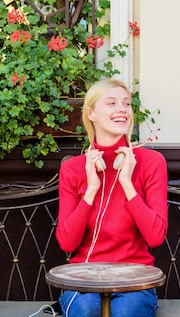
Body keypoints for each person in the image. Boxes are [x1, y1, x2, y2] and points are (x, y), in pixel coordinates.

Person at [55, 79, 168, 317]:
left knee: (126, 313)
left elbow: (156, 236)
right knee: (85, 311)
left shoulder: (151, 162)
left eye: (127, 104)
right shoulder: (74, 168)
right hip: (84, 280)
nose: (122, 109)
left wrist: (127, 183)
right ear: (91, 113)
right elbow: (66, 243)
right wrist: (91, 190)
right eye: (112, 103)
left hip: (135, 280)